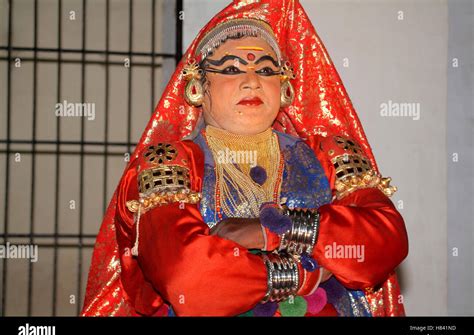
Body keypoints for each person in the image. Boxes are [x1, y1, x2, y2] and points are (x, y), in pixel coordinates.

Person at [81, 0, 408, 317]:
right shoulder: (168, 163)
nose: (252, 81)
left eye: (266, 69)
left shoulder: (331, 153)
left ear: (284, 89)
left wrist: (273, 231)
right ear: (198, 86)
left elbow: (384, 242)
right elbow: (189, 278)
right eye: (231, 68)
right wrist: (306, 275)